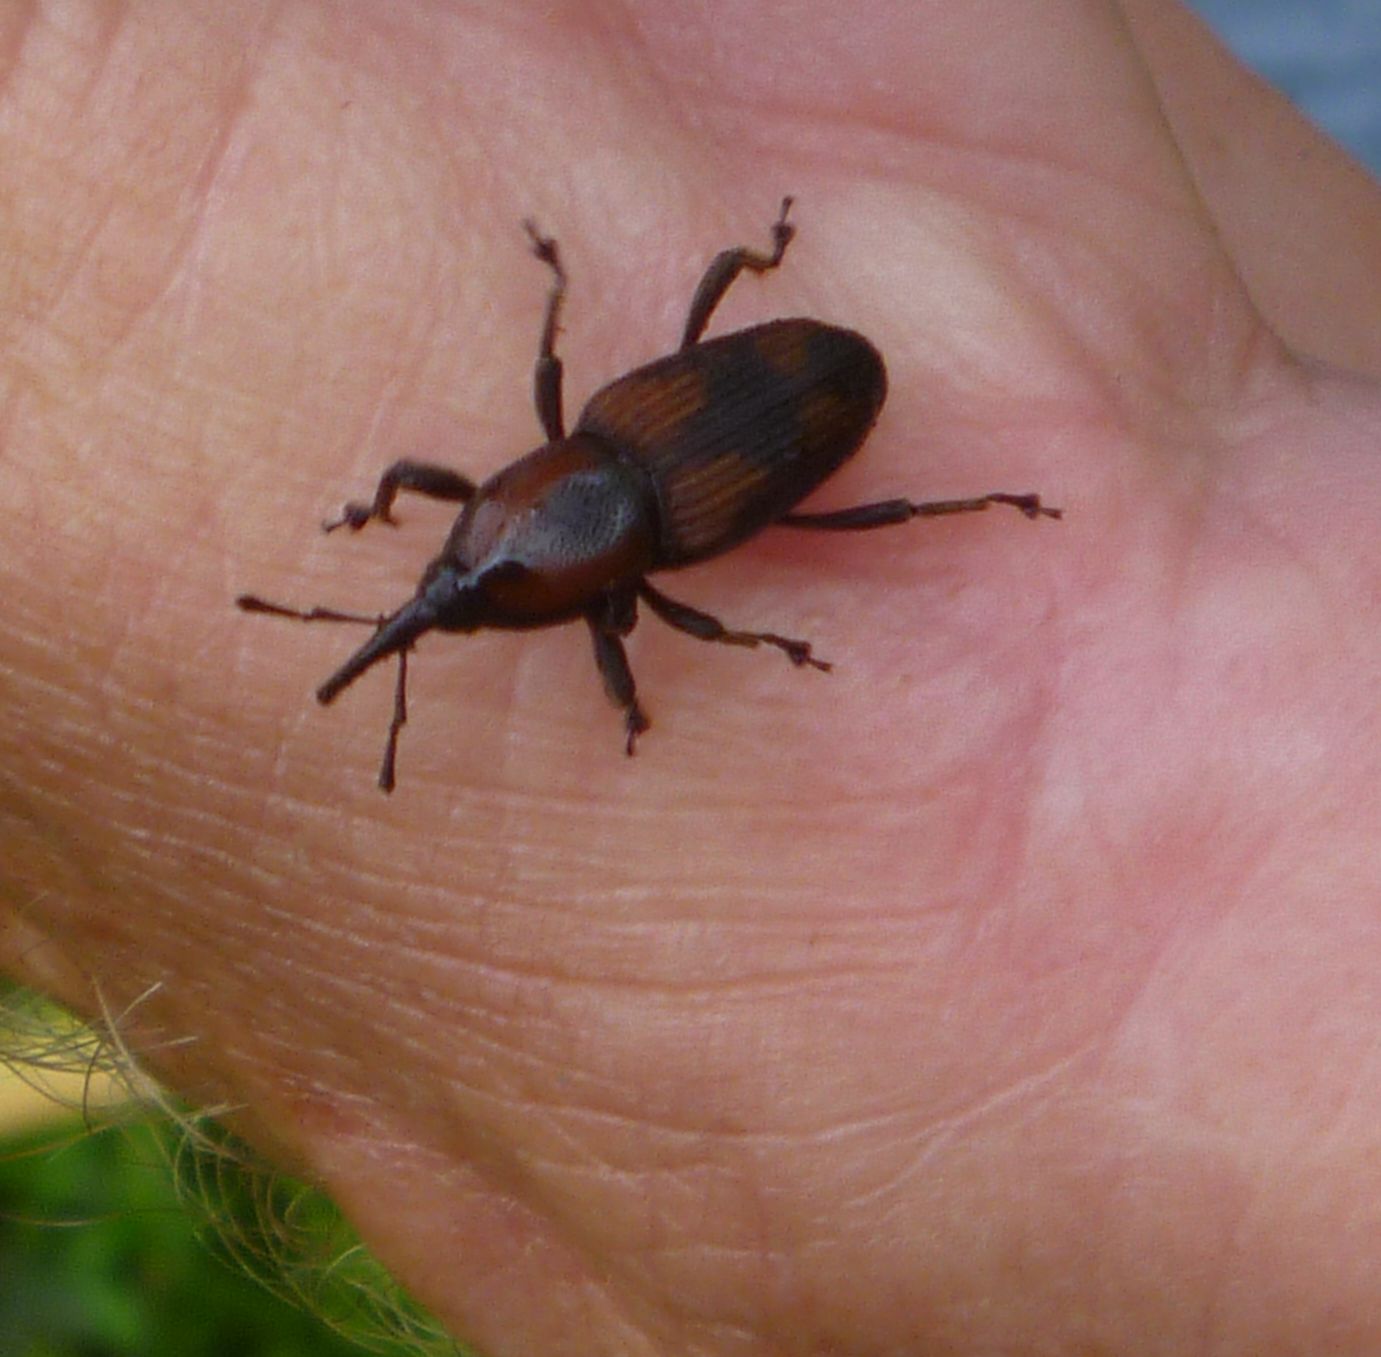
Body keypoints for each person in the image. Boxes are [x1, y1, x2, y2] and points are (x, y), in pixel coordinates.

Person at [2, 3, 1379, 1353]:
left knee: (797, 531)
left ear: (519, 525)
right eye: (462, 602)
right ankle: (925, 453)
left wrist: (670, 684)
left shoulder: (625, 516)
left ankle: (964, 486)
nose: (442, 600)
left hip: (799, 400)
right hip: (724, 435)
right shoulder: (587, 472)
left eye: (452, 578)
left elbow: (660, 622)